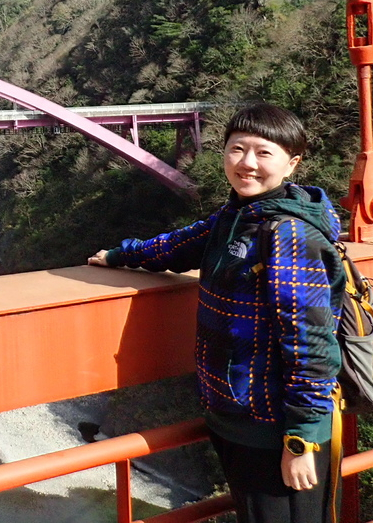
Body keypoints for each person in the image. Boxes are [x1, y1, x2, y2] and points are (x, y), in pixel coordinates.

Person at [88, 102, 344, 523]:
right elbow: (175, 246)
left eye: (264, 153)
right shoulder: (238, 216)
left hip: (272, 428)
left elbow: (311, 348)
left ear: (292, 163)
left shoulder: (288, 234)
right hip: (234, 415)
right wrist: (119, 254)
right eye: (236, 149)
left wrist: (300, 442)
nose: (247, 163)